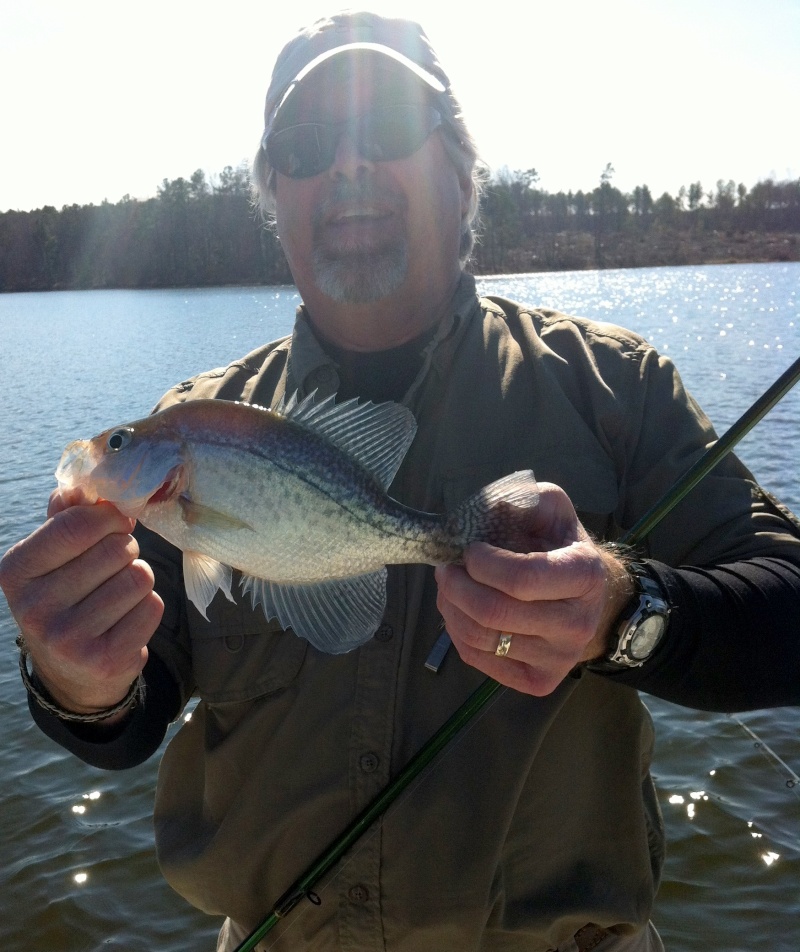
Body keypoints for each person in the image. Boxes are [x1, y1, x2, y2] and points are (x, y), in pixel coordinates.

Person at [1, 11, 799, 952]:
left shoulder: (613, 388)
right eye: (304, 144)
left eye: (384, 128)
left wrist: (622, 612)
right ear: (275, 202)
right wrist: (72, 682)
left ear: (462, 175)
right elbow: (132, 715)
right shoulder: (201, 421)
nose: (346, 166)